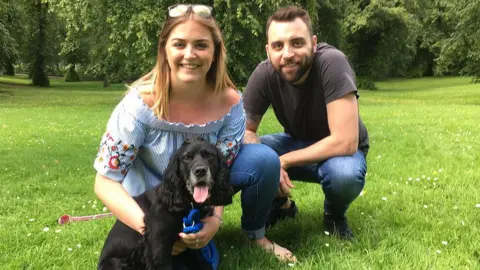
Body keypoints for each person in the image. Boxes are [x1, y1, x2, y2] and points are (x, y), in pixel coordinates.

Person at [93, 4, 296, 266]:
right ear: (164, 50)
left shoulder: (231, 105)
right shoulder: (139, 106)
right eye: (179, 44)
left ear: (215, 51)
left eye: (201, 45)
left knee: (264, 159)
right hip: (148, 208)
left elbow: (225, 168)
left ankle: (255, 235)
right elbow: (105, 182)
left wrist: (214, 220)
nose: (190, 55)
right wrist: (154, 230)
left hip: (199, 198)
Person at [243, 5, 370, 245]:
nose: (287, 53)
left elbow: (346, 141)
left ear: (313, 43)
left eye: (297, 43)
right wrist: (263, 159)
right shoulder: (264, 73)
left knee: (344, 174)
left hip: (340, 150)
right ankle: (281, 205)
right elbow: (246, 131)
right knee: (246, 155)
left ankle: (334, 215)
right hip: (294, 140)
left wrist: (280, 162)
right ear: (268, 50)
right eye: (278, 46)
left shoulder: (332, 63)